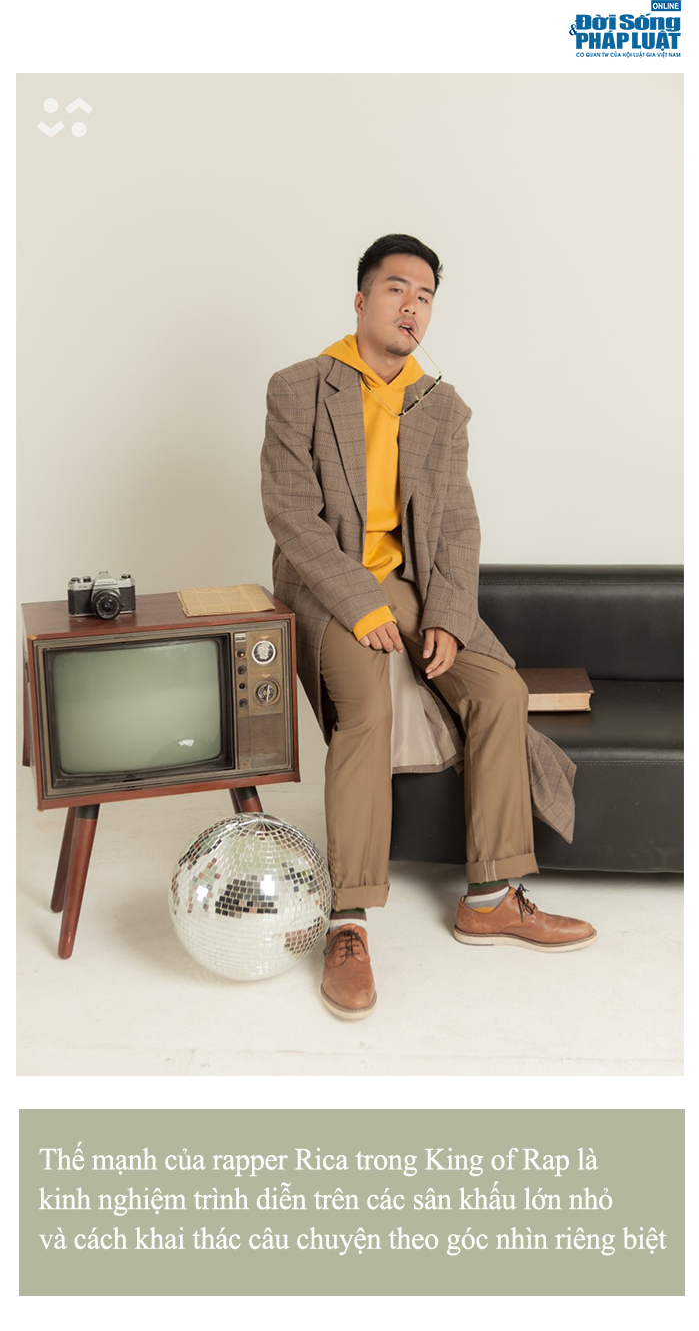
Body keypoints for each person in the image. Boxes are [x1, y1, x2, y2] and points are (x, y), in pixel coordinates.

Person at [261, 233, 596, 1020]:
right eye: (396, 290)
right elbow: (291, 516)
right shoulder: (299, 388)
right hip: (330, 592)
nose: (411, 307)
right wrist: (362, 604)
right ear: (360, 300)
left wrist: (445, 615)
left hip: (414, 590)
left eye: (425, 296)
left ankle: (490, 897)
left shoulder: (440, 406)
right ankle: (347, 921)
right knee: (367, 708)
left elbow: (457, 527)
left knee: (498, 690)